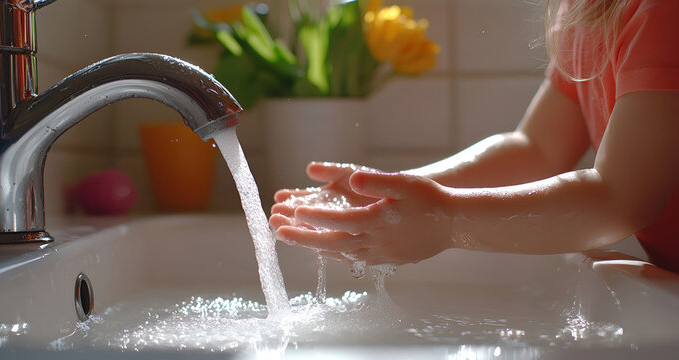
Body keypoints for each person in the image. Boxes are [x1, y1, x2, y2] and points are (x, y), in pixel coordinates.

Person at [269, 0, 679, 273]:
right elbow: (536, 148)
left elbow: (621, 199)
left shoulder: (661, 11)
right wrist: (396, 192)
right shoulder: (589, 11)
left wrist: (446, 221)